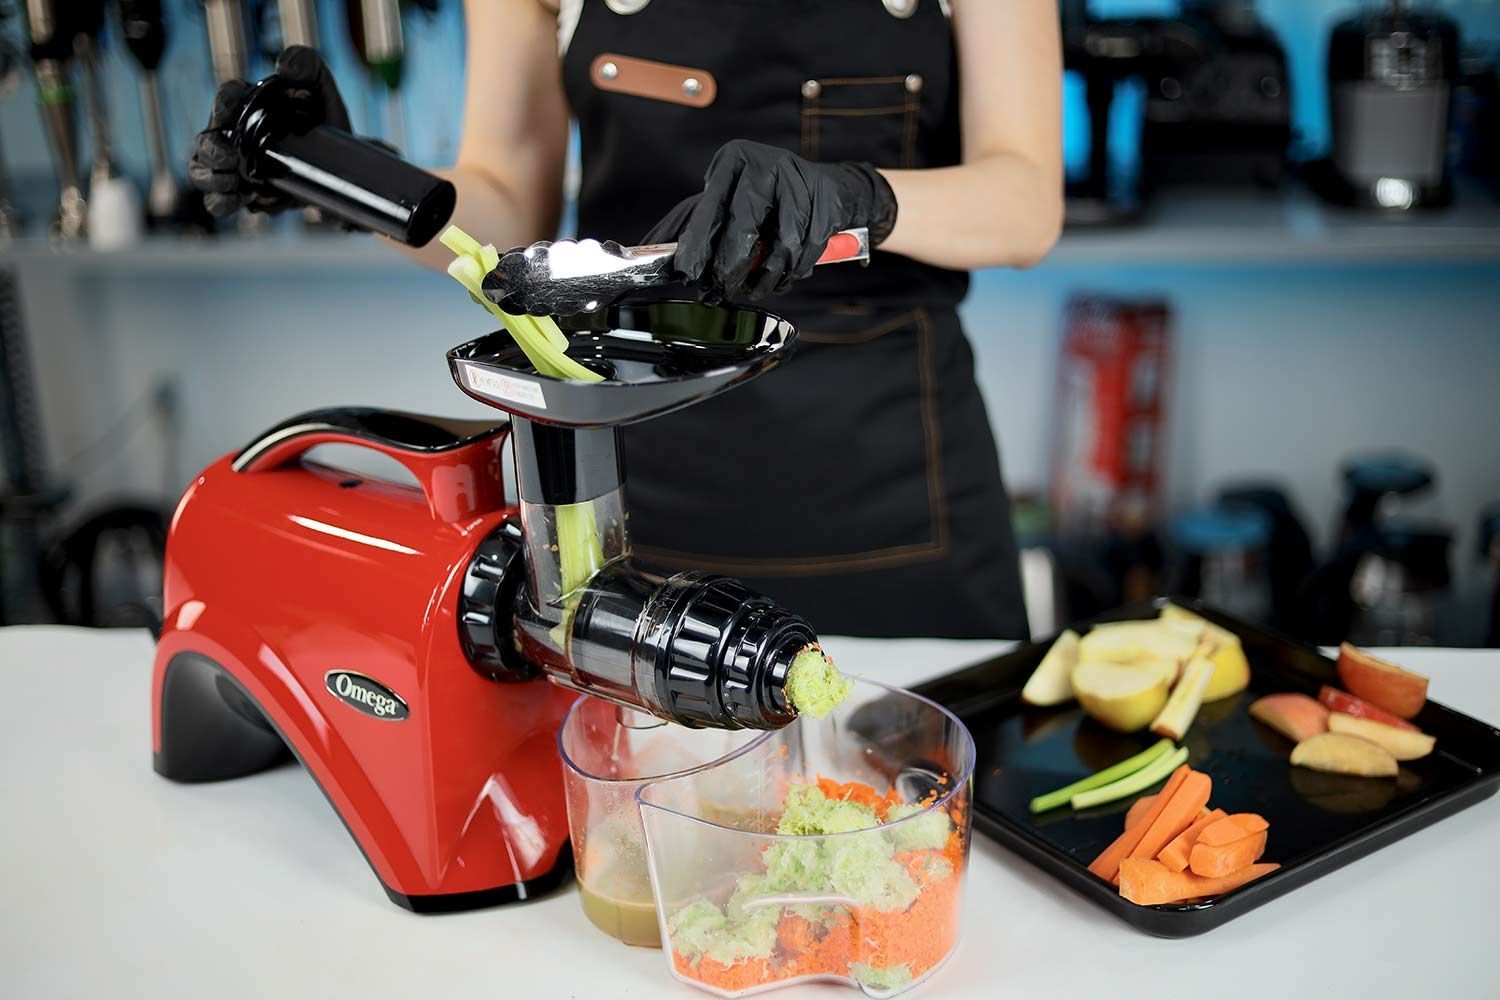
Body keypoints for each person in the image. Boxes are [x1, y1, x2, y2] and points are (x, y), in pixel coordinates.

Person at [190, 0, 1062, 639]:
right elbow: (506, 204)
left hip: (900, 497)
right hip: (636, 487)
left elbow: (1025, 202)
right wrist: (351, 180)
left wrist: (856, 198)